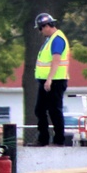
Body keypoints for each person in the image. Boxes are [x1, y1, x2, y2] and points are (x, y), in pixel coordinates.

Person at [33, 13, 70, 146]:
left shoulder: (57, 39)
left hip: (55, 80)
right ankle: (43, 139)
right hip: (47, 81)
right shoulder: (51, 39)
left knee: (55, 110)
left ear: (47, 26)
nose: (40, 31)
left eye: (40, 28)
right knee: (40, 109)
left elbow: (56, 59)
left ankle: (59, 140)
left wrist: (49, 79)